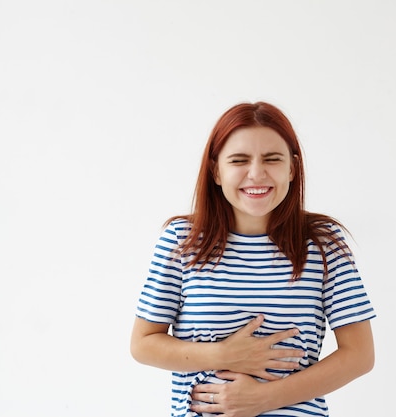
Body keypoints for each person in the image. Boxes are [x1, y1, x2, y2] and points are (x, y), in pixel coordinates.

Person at [130, 101, 376, 417]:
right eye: (239, 160)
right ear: (216, 171)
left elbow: (359, 355)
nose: (256, 173)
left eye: (272, 159)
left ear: (292, 168)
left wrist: (264, 398)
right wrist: (224, 355)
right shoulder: (182, 240)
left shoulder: (322, 242)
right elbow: (143, 344)